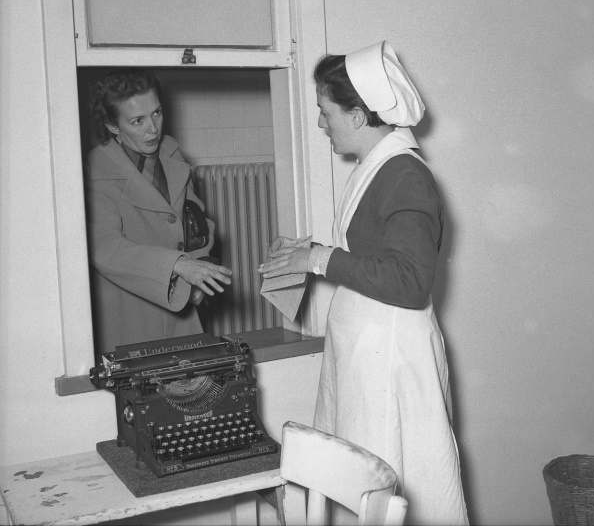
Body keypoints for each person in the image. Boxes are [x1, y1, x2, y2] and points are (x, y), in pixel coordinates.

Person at [258, 42, 468, 525]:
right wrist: (307, 254)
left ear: (357, 115)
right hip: (367, 357)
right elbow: (375, 253)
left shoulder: (405, 176)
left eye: (325, 111)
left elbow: (410, 280)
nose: (320, 123)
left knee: (385, 490)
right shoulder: (377, 167)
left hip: (389, 365)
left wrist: (321, 259)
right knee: (357, 486)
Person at [85, 68, 232, 355]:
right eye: (137, 121)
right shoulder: (96, 173)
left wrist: (199, 275)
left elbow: (195, 222)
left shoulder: (171, 154)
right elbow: (105, 247)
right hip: (130, 309)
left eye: (157, 113)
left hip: (182, 303)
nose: (153, 129)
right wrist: (178, 266)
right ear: (113, 126)